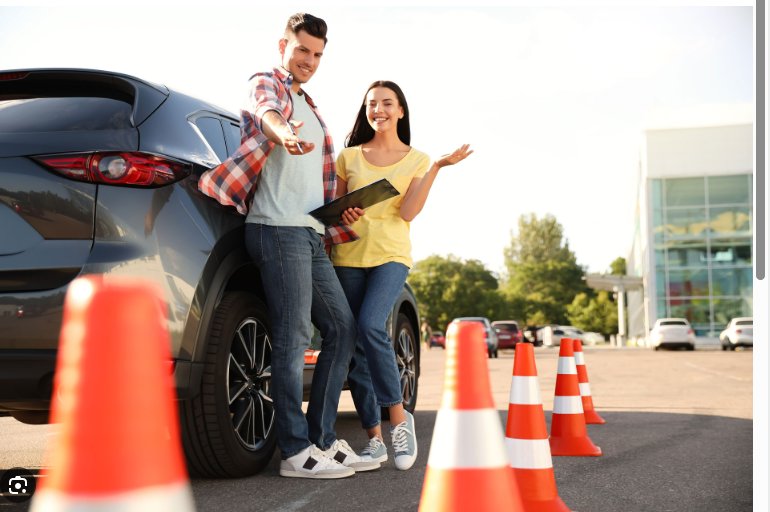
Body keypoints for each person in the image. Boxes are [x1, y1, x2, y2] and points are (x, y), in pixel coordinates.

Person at [198, 12, 376, 479]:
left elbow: (312, 182)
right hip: (276, 230)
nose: (309, 61)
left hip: (311, 232)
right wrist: (284, 131)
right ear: (283, 46)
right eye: (302, 50)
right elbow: (266, 113)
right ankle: (295, 451)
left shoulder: (310, 104)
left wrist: (340, 210)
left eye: (317, 54)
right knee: (293, 337)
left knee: (342, 330)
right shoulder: (268, 84)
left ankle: (322, 440)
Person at [331, 81, 472, 470]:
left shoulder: (418, 160)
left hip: (391, 256)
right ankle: (374, 441)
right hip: (348, 256)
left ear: (400, 111)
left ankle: (398, 419)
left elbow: (408, 212)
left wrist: (439, 168)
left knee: (372, 324)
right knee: (358, 350)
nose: (379, 109)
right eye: (372, 103)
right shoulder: (348, 157)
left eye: (386, 103)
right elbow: (335, 210)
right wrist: (345, 214)